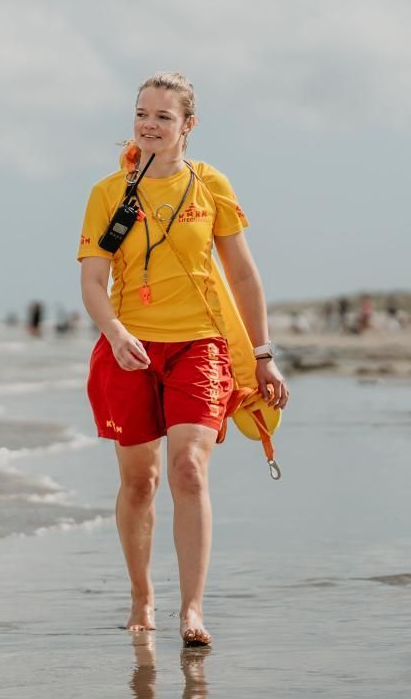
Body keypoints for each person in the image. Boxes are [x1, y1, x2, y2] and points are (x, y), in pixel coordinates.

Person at [77, 72, 287, 648]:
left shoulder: (210, 185)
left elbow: (242, 274)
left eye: (163, 116)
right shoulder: (106, 193)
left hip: (200, 344)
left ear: (187, 126)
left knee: (189, 469)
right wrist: (115, 332)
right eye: (142, 113)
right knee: (139, 481)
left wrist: (262, 353)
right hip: (129, 349)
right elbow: (93, 280)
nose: (149, 124)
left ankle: (191, 610)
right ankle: (142, 595)